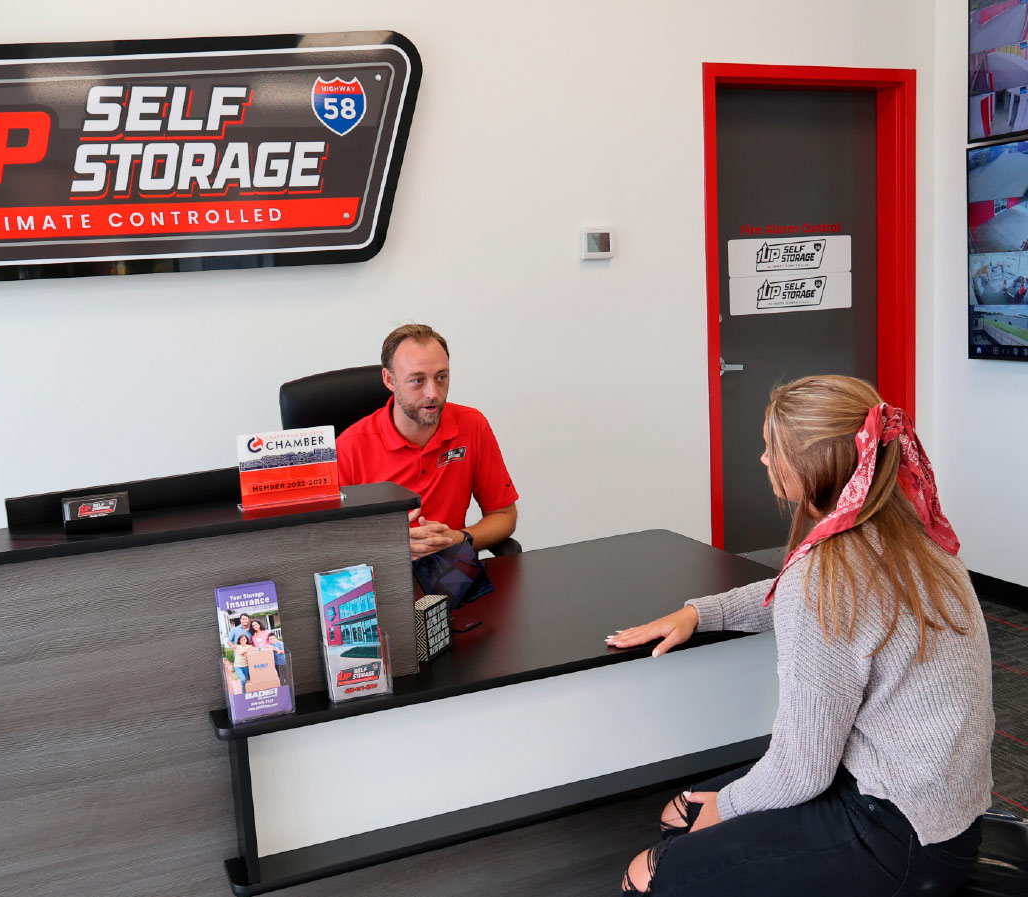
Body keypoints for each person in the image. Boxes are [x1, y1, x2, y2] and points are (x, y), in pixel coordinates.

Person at [606, 375, 993, 897]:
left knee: (647, 873)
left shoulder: (824, 580)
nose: (763, 459)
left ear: (809, 468)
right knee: (677, 815)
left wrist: (728, 807)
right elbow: (805, 595)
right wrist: (702, 613)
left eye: (772, 449)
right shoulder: (918, 537)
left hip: (897, 834)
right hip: (941, 813)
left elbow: (800, 770)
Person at [337, 323, 519, 559]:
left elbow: (504, 516)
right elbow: (330, 541)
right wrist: (393, 547)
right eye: (418, 381)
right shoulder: (349, 447)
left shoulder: (472, 425)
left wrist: (459, 539)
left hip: (451, 575)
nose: (433, 392)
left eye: (441, 377)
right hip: (381, 581)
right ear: (389, 380)